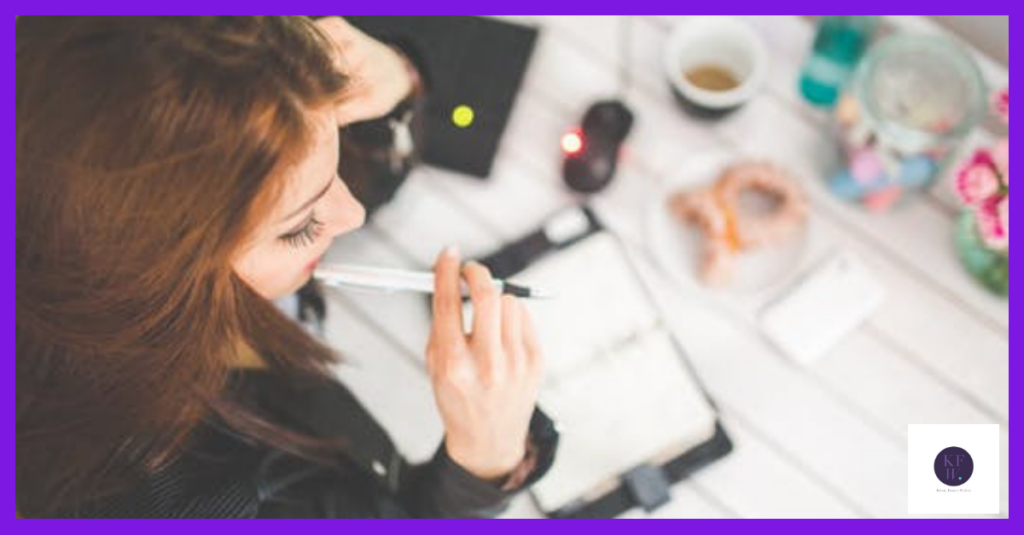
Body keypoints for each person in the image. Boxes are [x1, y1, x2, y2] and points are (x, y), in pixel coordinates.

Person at [16, 16, 556, 518]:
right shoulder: (202, 501)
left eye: (334, 149)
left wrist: (398, 77)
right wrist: (484, 463)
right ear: (160, 273)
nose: (353, 215)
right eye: (298, 227)